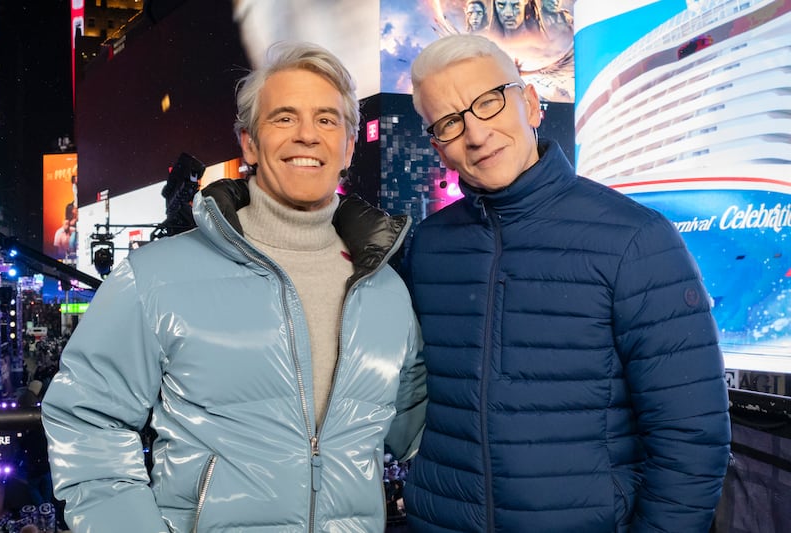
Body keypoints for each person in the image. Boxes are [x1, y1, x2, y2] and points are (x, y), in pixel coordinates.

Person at [41, 41, 426, 533]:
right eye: (284, 118)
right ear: (248, 143)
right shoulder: (156, 276)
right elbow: (86, 419)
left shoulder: (386, 289)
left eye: (327, 120)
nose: (308, 135)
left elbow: (423, 427)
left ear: (349, 146)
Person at [403, 34, 731, 532]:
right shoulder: (427, 248)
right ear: (437, 146)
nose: (476, 133)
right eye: (449, 122)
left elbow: (691, 438)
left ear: (530, 103)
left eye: (488, 103)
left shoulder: (634, 239)